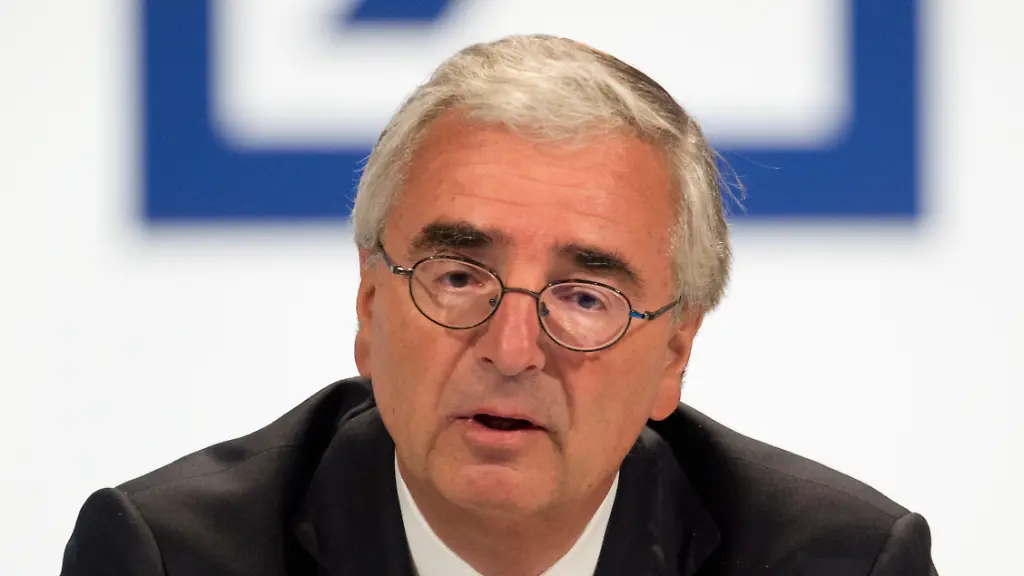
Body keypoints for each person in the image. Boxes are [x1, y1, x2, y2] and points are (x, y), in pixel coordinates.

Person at [61, 35, 938, 576]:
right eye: (458, 277)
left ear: (674, 353)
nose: (512, 349)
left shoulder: (837, 561)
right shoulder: (171, 558)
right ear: (369, 307)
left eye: (585, 296)